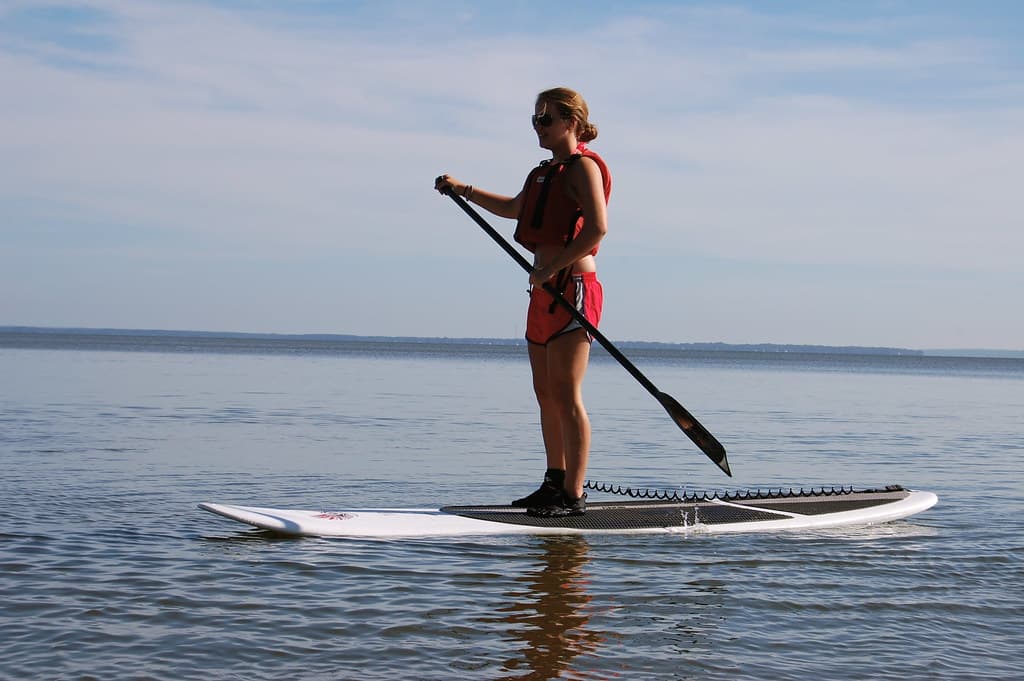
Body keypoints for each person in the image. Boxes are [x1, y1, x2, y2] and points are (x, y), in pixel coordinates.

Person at [434, 87, 611, 517]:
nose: (538, 127)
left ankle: (574, 494)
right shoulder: (542, 173)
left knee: (567, 394)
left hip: (573, 291)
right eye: (535, 119)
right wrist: (465, 190)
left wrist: (553, 269)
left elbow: (597, 230)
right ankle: (554, 482)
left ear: (570, 122)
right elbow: (516, 208)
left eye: (545, 119)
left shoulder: (583, 167)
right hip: (542, 293)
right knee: (545, 393)